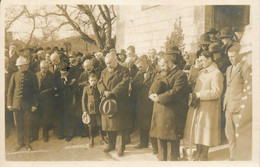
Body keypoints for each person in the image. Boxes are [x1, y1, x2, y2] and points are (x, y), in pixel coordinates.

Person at [149, 54, 189, 161]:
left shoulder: (180, 75)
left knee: (172, 149)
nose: (161, 68)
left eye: (163, 65)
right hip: (159, 114)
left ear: (170, 63)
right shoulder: (161, 73)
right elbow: (153, 86)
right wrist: (151, 94)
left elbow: (176, 92)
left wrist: (159, 98)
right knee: (161, 146)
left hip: (171, 115)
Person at [184, 51, 224, 161]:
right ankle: (199, 151)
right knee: (198, 129)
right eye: (200, 60)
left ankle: (204, 154)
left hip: (208, 108)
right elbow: (191, 80)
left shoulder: (216, 73)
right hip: (198, 106)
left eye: (202, 60)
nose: (200, 62)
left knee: (205, 131)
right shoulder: (201, 72)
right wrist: (196, 67)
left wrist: (199, 95)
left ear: (210, 59)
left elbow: (216, 92)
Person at [97, 53, 130, 157]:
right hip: (107, 102)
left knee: (119, 127)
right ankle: (111, 145)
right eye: (106, 63)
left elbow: (124, 83)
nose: (108, 65)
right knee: (108, 125)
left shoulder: (124, 70)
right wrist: (104, 92)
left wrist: (112, 92)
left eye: (110, 63)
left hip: (119, 102)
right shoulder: (104, 71)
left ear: (115, 60)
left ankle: (120, 148)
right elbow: (99, 83)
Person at [7, 56, 39, 152]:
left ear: (26, 66)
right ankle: (19, 143)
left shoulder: (32, 76)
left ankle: (27, 143)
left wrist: (34, 105)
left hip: (28, 105)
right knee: (18, 125)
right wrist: (9, 104)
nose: (19, 68)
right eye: (18, 66)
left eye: (21, 66)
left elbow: (36, 92)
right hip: (16, 105)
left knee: (27, 125)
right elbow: (10, 91)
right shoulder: (14, 75)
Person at [223, 44, 247, 160]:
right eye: (229, 57)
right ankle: (233, 157)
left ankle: (241, 159)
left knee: (240, 134)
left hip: (239, 107)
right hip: (228, 106)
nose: (230, 59)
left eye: (233, 56)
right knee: (230, 134)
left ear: (239, 55)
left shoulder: (245, 68)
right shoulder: (228, 69)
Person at [131, 57, 158, 153]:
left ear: (146, 63)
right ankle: (143, 143)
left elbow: (156, 84)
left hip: (151, 101)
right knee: (142, 123)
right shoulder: (138, 73)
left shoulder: (154, 72)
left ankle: (155, 146)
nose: (139, 69)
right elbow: (133, 85)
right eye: (138, 67)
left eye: (141, 66)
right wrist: (142, 83)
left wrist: (141, 84)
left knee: (152, 124)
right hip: (141, 102)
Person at [53, 64, 77, 142]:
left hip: (68, 101)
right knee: (60, 117)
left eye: (65, 73)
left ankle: (69, 134)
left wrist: (69, 83)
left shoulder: (72, 79)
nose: (63, 75)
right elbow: (55, 88)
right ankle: (61, 133)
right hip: (59, 101)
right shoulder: (56, 78)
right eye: (62, 73)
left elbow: (74, 89)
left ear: (68, 72)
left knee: (68, 117)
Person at [82, 73, 105, 147]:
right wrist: (85, 111)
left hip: (98, 109)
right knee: (91, 125)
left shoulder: (99, 87)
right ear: (89, 81)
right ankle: (91, 139)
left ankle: (102, 138)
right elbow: (83, 100)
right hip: (90, 109)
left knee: (100, 124)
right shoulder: (86, 88)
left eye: (95, 80)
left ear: (97, 80)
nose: (93, 82)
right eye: (91, 80)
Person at [35, 61, 55, 142]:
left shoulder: (52, 75)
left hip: (47, 100)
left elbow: (53, 88)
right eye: (42, 68)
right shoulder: (36, 75)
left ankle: (45, 135)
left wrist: (45, 92)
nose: (44, 70)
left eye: (45, 68)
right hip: (37, 100)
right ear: (40, 67)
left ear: (48, 68)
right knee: (37, 117)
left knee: (45, 118)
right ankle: (35, 135)